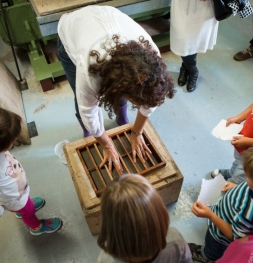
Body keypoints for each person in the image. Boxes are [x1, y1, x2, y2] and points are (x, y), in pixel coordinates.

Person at [57, 6, 175, 173]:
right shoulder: (89, 71)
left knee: (130, 90)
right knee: (81, 96)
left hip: (110, 19)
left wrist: (137, 132)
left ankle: (121, 116)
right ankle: (87, 131)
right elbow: (88, 110)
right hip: (72, 32)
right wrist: (106, 145)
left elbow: (150, 99)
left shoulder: (151, 56)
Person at [189, 145, 253, 262]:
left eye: (248, 176)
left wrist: (210, 215)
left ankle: (205, 256)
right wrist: (237, 186)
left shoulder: (252, 212)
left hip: (220, 236)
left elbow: (234, 236)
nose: (244, 172)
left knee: (212, 249)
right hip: (225, 214)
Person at [97, 173, 193, 263]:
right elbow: (186, 260)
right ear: (161, 216)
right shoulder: (175, 242)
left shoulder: (106, 259)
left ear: (108, 228)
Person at [0, 108, 63, 235]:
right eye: (13, 141)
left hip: (17, 193)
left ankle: (23, 207)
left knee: (25, 206)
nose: (14, 142)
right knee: (28, 213)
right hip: (13, 199)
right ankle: (37, 227)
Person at [211, 85, 253, 186]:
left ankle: (233, 185)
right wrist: (239, 118)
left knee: (243, 172)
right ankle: (232, 173)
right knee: (239, 160)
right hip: (244, 142)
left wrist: (248, 142)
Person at [170, 0, 219, 92]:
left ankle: (186, 67)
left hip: (205, 6)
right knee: (182, 38)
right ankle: (193, 71)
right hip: (182, 5)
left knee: (196, 38)